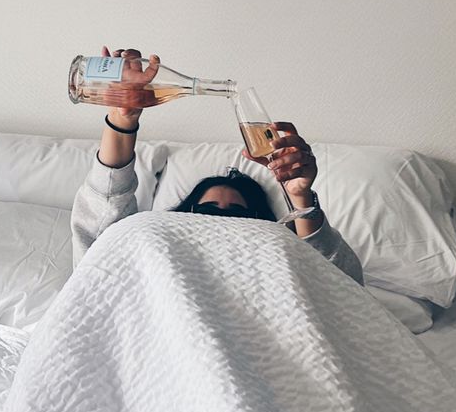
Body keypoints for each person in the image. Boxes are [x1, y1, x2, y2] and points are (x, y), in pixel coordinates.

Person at [71, 48, 363, 285]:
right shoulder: (157, 242)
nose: (220, 221)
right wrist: (123, 118)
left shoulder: (277, 252)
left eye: (239, 216)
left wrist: (300, 197)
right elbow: (101, 245)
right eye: (208, 211)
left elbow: (341, 291)